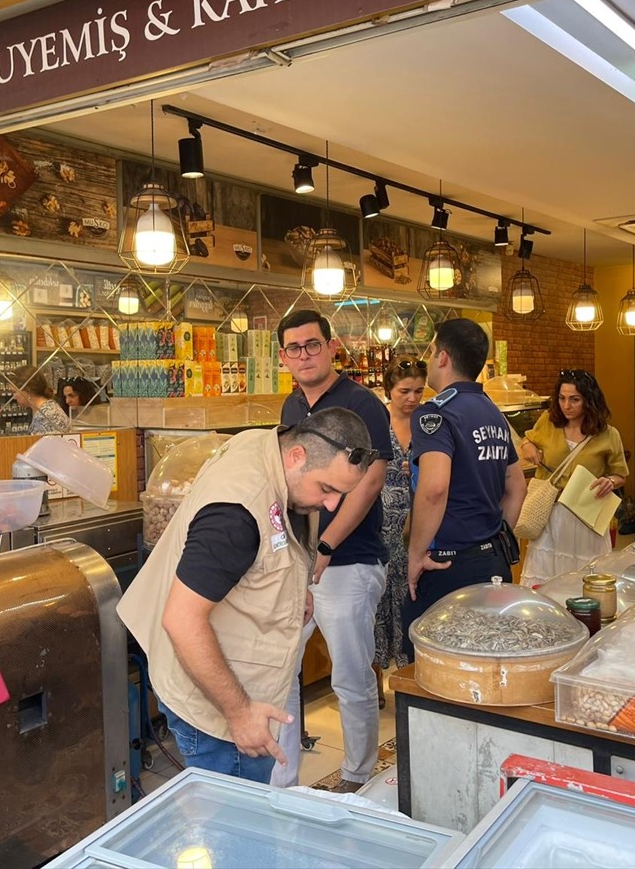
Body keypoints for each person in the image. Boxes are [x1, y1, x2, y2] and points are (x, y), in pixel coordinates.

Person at [117, 408, 373, 783]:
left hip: (235, 683)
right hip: (218, 714)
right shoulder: (236, 515)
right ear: (297, 456)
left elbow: (281, 535)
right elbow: (181, 619)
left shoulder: (271, 445)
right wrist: (240, 714)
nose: (332, 505)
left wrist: (296, 587)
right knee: (231, 832)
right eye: (327, 489)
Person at [271, 310, 392, 794]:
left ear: (331, 346)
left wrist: (326, 545)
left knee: (349, 676)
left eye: (312, 344)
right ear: (283, 357)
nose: (304, 355)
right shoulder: (290, 407)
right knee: (280, 670)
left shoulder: (362, 404)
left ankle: (358, 776)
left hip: (351, 561)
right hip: (299, 564)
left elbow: (370, 481)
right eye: (294, 348)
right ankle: (282, 781)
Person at [402, 318, 527, 661]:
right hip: (492, 562)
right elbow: (517, 487)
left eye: (430, 352)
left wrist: (415, 556)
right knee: (484, 663)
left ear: (442, 357)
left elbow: (434, 488)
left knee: (432, 673)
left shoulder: (435, 414)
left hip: (446, 567)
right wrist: (497, 537)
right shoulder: (493, 413)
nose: (428, 360)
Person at [517, 370, 628, 589]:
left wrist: (610, 481)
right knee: (546, 582)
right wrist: (528, 447)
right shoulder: (548, 422)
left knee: (586, 582)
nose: (566, 405)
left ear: (589, 400)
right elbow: (527, 439)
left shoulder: (608, 434)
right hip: (549, 515)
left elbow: (620, 475)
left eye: (574, 399)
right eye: (562, 398)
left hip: (586, 516)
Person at [374, 358, 428, 684]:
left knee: (412, 601)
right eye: (404, 391)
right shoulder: (376, 421)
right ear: (389, 390)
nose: (412, 398)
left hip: (418, 520)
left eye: (418, 391)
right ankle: (375, 677)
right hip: (381, 520)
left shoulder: (429, 422)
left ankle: (411, 676)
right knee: (378, 606)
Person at [9, 365, 73, 435]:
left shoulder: (46, 416)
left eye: (14, 392)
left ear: (27, 390)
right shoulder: (44, 408)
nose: (14, 397)